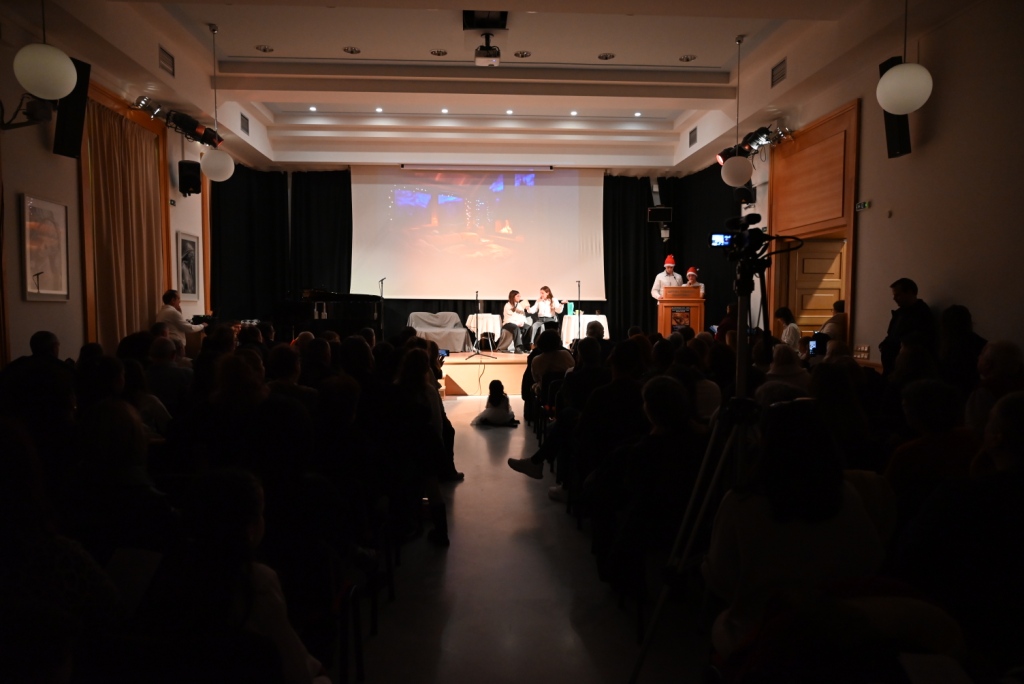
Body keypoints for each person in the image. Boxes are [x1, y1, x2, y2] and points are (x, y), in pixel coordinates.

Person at [878, 278, 935, 376]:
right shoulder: (899, 313)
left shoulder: (922, 314)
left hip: (908, 370)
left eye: (897, 295)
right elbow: (891, 335)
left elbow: (919, 340)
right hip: (893, 369)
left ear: (909, 292)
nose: (894, 298)